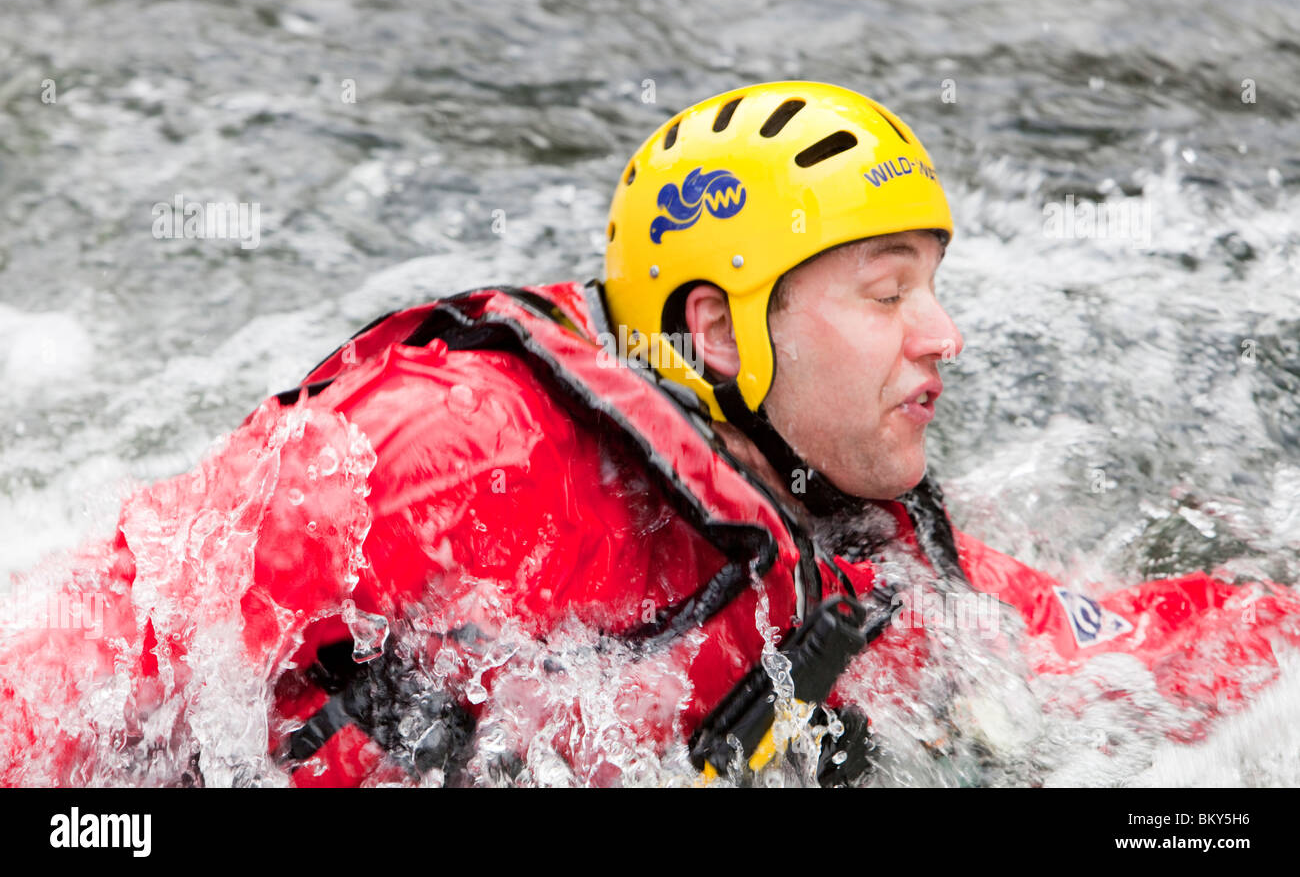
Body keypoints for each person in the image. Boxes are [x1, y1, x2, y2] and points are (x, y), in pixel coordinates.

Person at [3, 81, 1298, 788]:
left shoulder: (844, 553)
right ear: (716, 331)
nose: (943, 335)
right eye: (888, 293)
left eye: (935, 288)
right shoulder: (446, 458)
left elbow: (1098, 653)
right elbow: (124, 643)